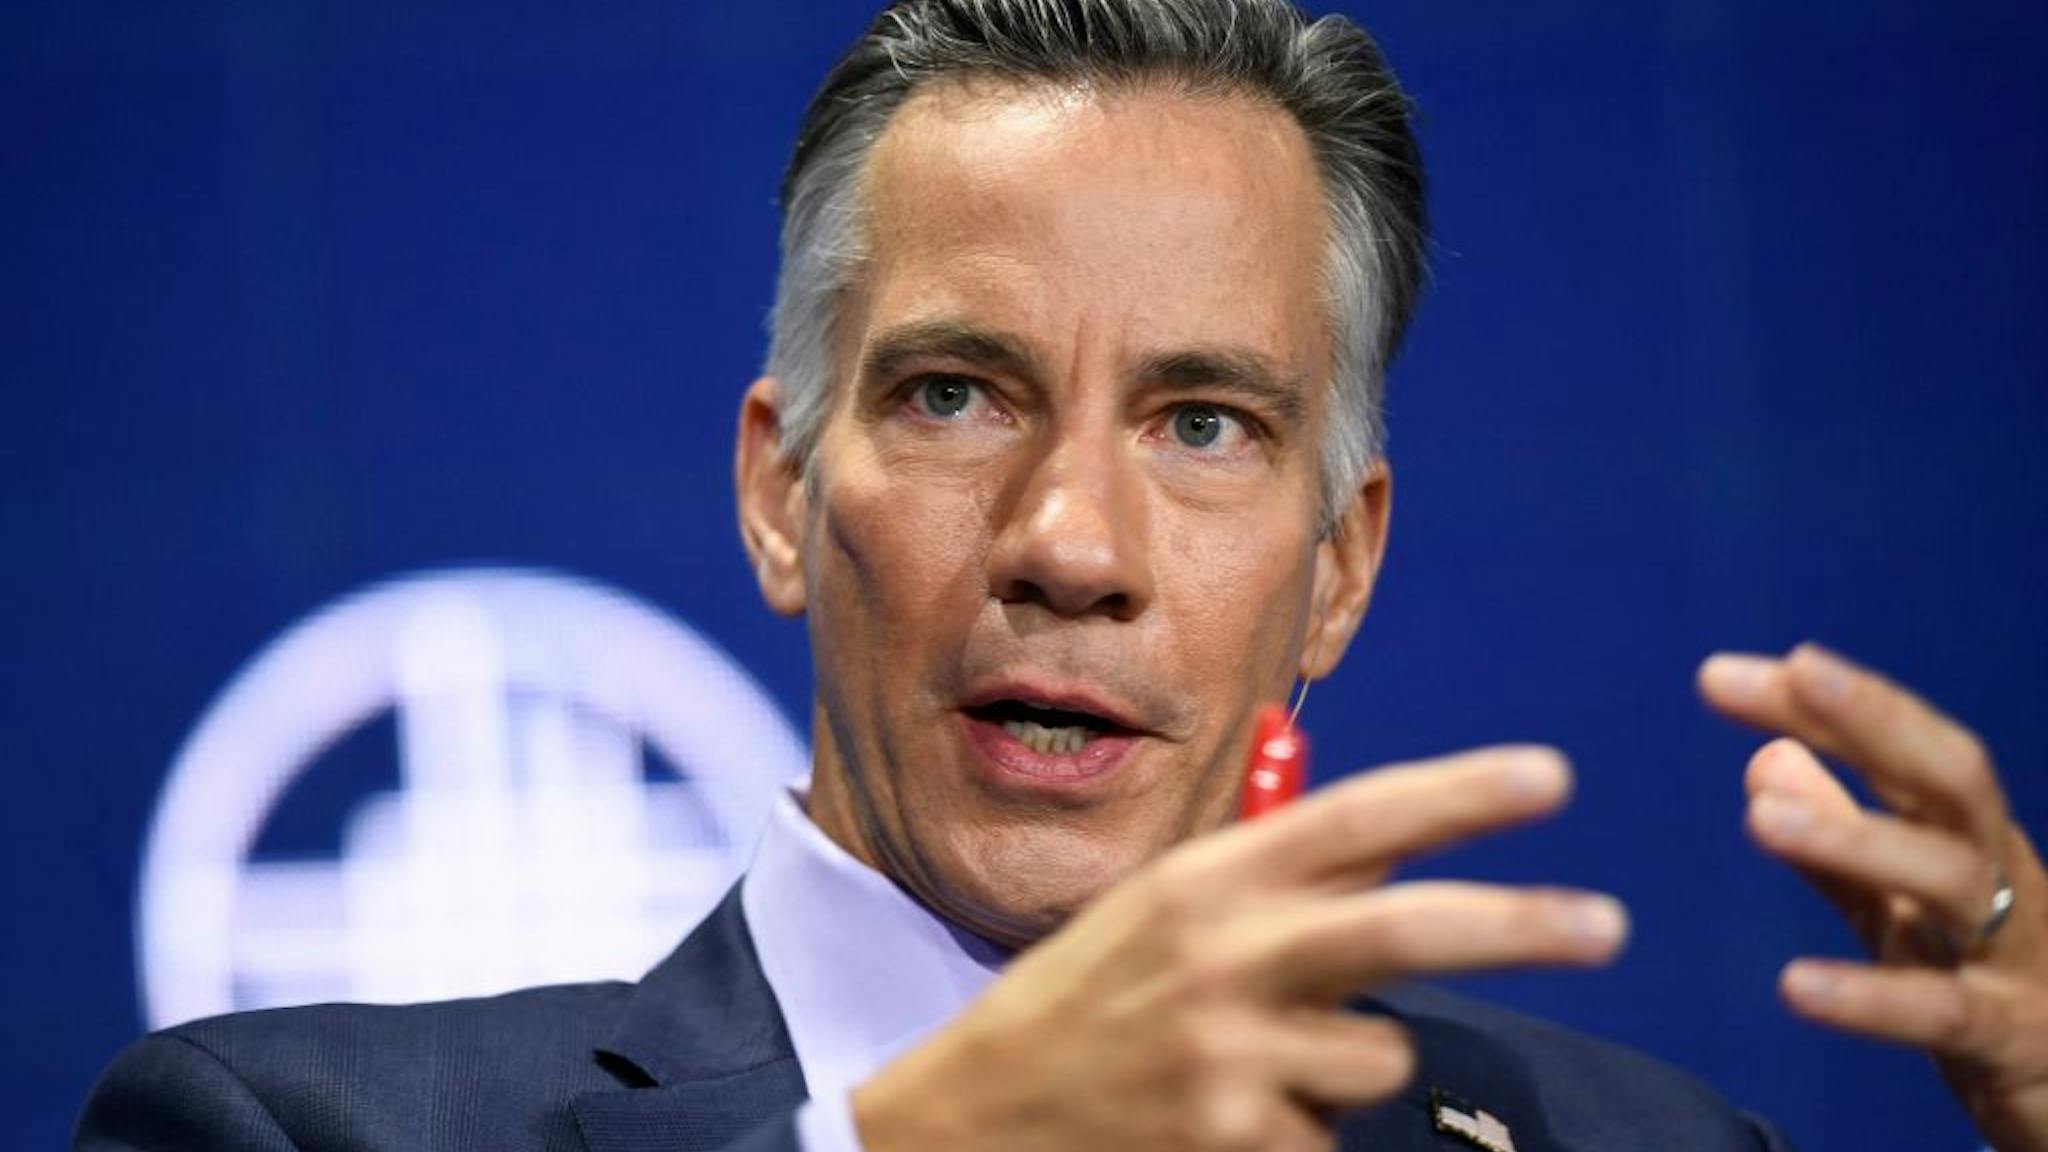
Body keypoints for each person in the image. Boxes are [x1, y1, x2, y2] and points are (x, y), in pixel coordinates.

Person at [75, 2, 2048, 1150]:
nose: (1070, 546)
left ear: (1339, 568)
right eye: (954, 395)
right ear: (779, 492)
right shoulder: (288, 1129)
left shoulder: (1635, 1146)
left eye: (1203, 424)